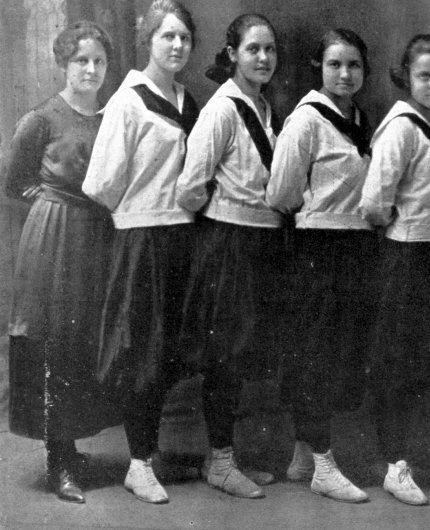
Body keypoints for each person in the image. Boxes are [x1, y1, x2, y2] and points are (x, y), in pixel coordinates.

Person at [82, 0, 199, 504]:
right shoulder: (128, 101)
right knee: (141, 355)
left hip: (182, 238)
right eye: (165, 37)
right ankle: (138, 463)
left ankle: (156, 454)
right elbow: (102, 184)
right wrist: (140, 210)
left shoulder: (186, 99)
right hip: (141, 240)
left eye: (183, 39)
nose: (176, 46)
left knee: (171, 351)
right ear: (147, 41)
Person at [3, 21, 116, 504]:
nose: (90, 70)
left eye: (98, 62)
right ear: (64, 65)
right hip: (54, 237)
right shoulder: (41, 118)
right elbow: (14, 184)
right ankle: (56, 461)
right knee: (53, 338)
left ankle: (70, 443)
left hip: (98, 236)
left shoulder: (112, 116)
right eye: (81, 62)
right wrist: (54, 209)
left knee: (85, 337)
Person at [174, 13, 282, 499]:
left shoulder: (262, 105)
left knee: (243, 357)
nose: (263, 58)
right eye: (253, 49)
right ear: (232, 54)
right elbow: (189, 187)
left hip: (260, 242)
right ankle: (218, 462)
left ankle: (225, 457)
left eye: (270, 49)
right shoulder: (223, 109)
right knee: (225, 357)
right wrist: (222, 217)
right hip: (228, 244)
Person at [267, 28, 376, 504]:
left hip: (354, 249)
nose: (345, 74)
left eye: (353, 65)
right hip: (316, 250)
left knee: (338, 356)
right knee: (315, 356)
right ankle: (324, 465)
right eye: (335, 65)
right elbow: (281, 194)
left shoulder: (359, 118)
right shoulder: (306, 121)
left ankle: (301, 454)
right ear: (320, 68)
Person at [359, 33, 430, 506]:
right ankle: (394, 463)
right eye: (424, 76)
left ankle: (421, 457)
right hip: (406, 256)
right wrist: (403, 226)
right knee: (398, 363)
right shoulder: (400, 127)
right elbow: (374, 203)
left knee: (429, 363)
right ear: (407, 77)